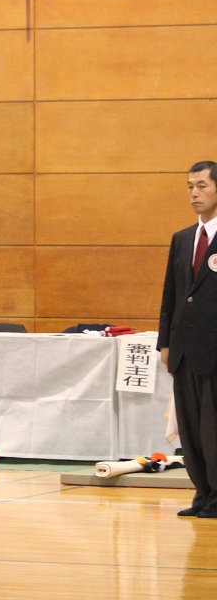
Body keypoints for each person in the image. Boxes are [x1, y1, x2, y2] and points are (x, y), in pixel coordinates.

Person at [159, 160, 217, 519]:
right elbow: (172, 294)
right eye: (190, 187)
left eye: (202, 186)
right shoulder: (182, 239)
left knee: (213, 429)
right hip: (183, 350)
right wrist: (165, 342)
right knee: (192, 429)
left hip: (214, 350)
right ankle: (202, 494)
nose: (194, 193)